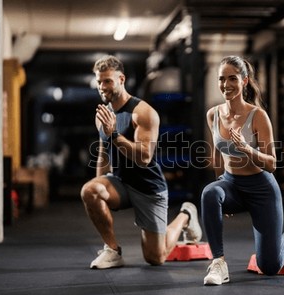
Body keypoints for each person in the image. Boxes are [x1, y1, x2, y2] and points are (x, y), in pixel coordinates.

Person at [81, 55, 202, 269]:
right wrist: (99, 190)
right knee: (89, 191)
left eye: (107, 81)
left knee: (156, 258)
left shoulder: (143, 113)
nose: (102, 87)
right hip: (120, 182)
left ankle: (186, 214)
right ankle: (112, 251)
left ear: (121, 79)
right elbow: (104, 154)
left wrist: (115, 134)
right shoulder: (104, 114)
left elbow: (144, 157)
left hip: (147, 187)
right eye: (99, 82)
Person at [201, 56, 284, 285]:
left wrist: (246, 148)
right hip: (231, 185)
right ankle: (218, 262)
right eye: (222, 79)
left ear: (245, 81)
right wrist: (221, 194)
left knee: (269, 266)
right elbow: (217, 156)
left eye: (232, 78)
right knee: (210, 193)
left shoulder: (258, 116)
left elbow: (272, 164)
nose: (226, 84)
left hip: (261, 189)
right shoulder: (213, 114)